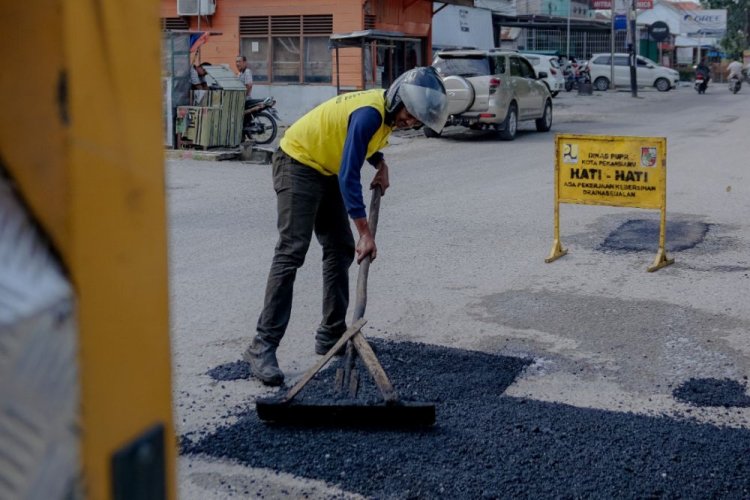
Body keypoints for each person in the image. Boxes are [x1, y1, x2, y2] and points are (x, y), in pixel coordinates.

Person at [244, 67, 449, 386]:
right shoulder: (371, 113)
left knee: (339, 248)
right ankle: (262, 346)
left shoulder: (385, 117)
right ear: (398, 99)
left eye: (418, 119)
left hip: (324, 167)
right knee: (292, 251)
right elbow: (348, 176)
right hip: (297, 161)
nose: (411, 122)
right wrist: (365, 233)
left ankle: (331, 334)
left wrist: (380, 163)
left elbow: (356, 145)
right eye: (410, 114)